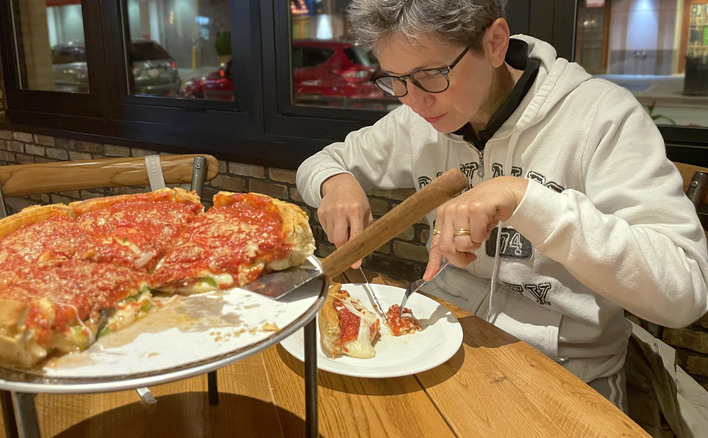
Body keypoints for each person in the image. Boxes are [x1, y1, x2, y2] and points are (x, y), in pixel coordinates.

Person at [295, 0, 708, 411]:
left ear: (494, 43)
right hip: (439, 339)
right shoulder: (417, 121)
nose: (414, 103)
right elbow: (322, 161)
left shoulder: (601, 117)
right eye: (395, 80)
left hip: (568, 373)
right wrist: (337, 183)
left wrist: (526, 199)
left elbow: (684, 290)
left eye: (431, 75)